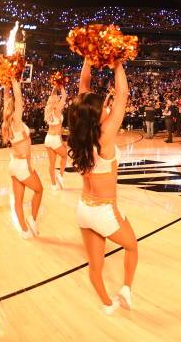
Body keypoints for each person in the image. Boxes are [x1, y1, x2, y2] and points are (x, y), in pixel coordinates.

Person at [68, 58, 138, 314]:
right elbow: (123, 95)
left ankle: (107, 305)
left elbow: (82, 91)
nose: (107, 108)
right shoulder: (105, 136)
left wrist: (87, 60)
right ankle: (126, 289)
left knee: (95, 266)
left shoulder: (79, 132)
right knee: (132, 247)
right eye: (103, 108)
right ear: (98, 116)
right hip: (105, 211)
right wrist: (116, 61)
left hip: (83, 210)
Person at [2, 78, 43, 239]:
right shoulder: (17, 122)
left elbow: (8, 100)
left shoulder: (9, 122)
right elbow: (18, 99)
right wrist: (14, 80)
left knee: (18, 200)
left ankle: (25, 231)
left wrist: (6, 86)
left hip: (14, 164)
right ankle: (32, 219)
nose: (22, 105)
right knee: (39, 190)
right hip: (22, 165)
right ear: (15, 109)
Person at [44, 86, 68, 190]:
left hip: (48, 138)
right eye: (58, 99)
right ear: (56, 101)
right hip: (55, 139)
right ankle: (61, 175)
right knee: (65, 156)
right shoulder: (57, 110)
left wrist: (54, 87)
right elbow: (65, 96)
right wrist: (61, 86)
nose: (59, 100)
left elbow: (53, 96)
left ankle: (53, 185)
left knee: (51, 164)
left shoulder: (48, 110)